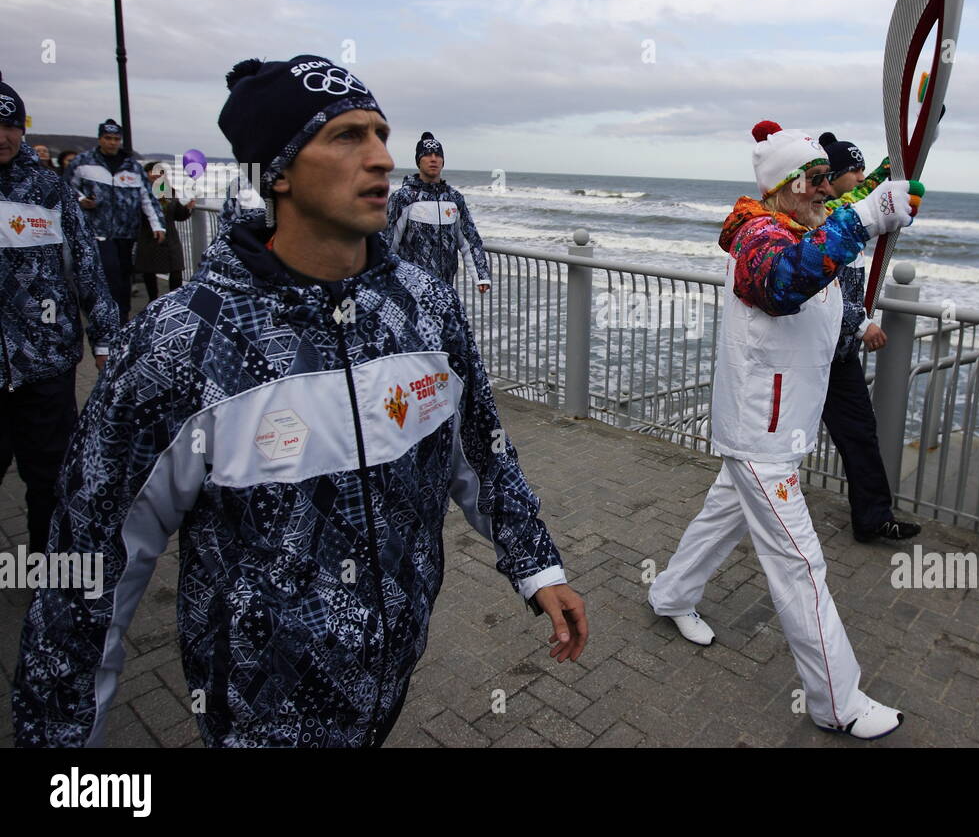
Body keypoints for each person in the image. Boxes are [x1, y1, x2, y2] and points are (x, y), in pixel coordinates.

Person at [13, 54, 587, 748]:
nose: (381, 158)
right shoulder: (180, 344)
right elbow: (86, 577)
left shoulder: (426, 310)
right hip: (256, 718)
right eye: (346, 136)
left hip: (392, 682)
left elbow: (482, 448)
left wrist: (535, 565)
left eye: (381, 134)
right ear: (276, 172)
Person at [648, 120, 921, 740]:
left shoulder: (804, 223)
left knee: (723, 515)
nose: (828, 190)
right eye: (817, 180)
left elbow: (847, 213)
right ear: (787, 185)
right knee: (800, 565)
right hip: (761, 433)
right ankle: (837, 702)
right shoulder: (759, 237)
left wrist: (887, 189)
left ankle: (669, 596)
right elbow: (782, 283)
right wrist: (865, 219)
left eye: (829, 178)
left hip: (777, 427)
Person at [0, 72, 118, 553]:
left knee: (50, 475)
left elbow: (88, 269)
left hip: (46, 363)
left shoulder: (47, 191)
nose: (2, 136)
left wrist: (106, 342)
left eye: (9, 125)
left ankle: (47, 571)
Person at [816, 131, 920, 543]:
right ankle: (750, 502)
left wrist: (918, 133)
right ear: (833, 176)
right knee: (787, 440)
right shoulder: (828, 214)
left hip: (838, 356)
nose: (861, 177)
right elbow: (829, 286)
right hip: (809, 353)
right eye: (852, 171)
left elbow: (877, 181)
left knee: (859, 431)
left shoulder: (850, 207)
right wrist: (862, 324)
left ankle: (874, 517)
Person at [65, 119, 165, 323]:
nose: (112, 143)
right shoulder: (83, 162)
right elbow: (65, 187)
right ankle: (107, 313)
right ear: (100, 139)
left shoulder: (132, 167)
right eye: (108, 138)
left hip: (127, 232)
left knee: (124, 275)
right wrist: (82, 200)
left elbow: (147, 197)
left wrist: (158, 225)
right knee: (108, 272)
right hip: (97, 230)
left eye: (116, 139)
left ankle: (122, 314)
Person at [384, 132, 491, 293]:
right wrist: (383, 282)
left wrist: (481, 275)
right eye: (427, 155)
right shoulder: (403, 198)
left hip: (445, 289)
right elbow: (388, 241)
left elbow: (469, 239)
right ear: (419, 161)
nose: (433, 159)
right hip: (411, 290)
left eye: (437, 155)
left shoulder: (454, 198)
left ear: (442, 161)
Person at [133, 160, 195, 300]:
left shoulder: (169, 191)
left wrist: (188, 207)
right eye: (153, 172)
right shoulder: (139, 192)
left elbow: (178, 215)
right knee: (149, 272)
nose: (157, 175)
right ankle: (153, 301)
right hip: (148, 236)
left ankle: (175, 301)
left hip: (170, 237)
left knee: (176, 270)